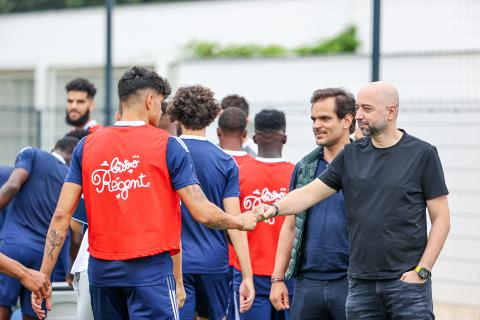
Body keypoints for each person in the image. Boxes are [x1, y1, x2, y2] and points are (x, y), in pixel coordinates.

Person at [32, 67, 257, 320]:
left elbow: (62, 217)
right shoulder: (169, 145)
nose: (161, 111)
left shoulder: (87, 145)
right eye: (161, 104)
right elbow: (202, 212)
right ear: (150, 101)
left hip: (102, 274)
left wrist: (43, 276)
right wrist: (240, 221)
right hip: (150, 275)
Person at [255, 81, 451, 320]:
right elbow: (308, 194)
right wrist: (273, 208)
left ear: (391, 112)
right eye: (358, 108)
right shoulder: (350, 155)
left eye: (366, 109)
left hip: (406, 286)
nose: (358, 116)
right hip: (360, 287)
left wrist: (423, 270)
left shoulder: (423, 154)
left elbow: (441, 219)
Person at [168, 85, 255, 320]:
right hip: (214, 262)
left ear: (176, 114)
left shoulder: (165, 153)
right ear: (211, 116)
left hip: (174, 262)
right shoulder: (225, 161)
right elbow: (235, 223)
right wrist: (247, 276)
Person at [269, 88, 355, 320]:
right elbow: (289, 226)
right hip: (307, 283)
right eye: (314, 119)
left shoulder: (365, 165)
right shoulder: (304, 168)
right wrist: (278, 279)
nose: (317, 125)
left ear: (347, 120)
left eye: (325, 118)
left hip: (351, 282)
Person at [0, 137, 79, 320]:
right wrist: (70, 272)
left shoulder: (32, 154)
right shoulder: (72, 180)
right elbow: (75, 234)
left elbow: (12, 185)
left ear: (55, 148)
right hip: (44, 260)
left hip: (13, 247)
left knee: (2, 305)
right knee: (34, 312)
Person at [232, 109, 295, 320]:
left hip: (249, 271)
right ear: (284, 138)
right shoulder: (298, 175)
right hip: (288, 273)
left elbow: (229, 226)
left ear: (255, 138)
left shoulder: (237, 172)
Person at [217, 107, 256, 320]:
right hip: (246, 261)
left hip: (214, 258)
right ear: (244, 134)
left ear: (218, 132)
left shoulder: (209, 163)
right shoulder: (254, 167)